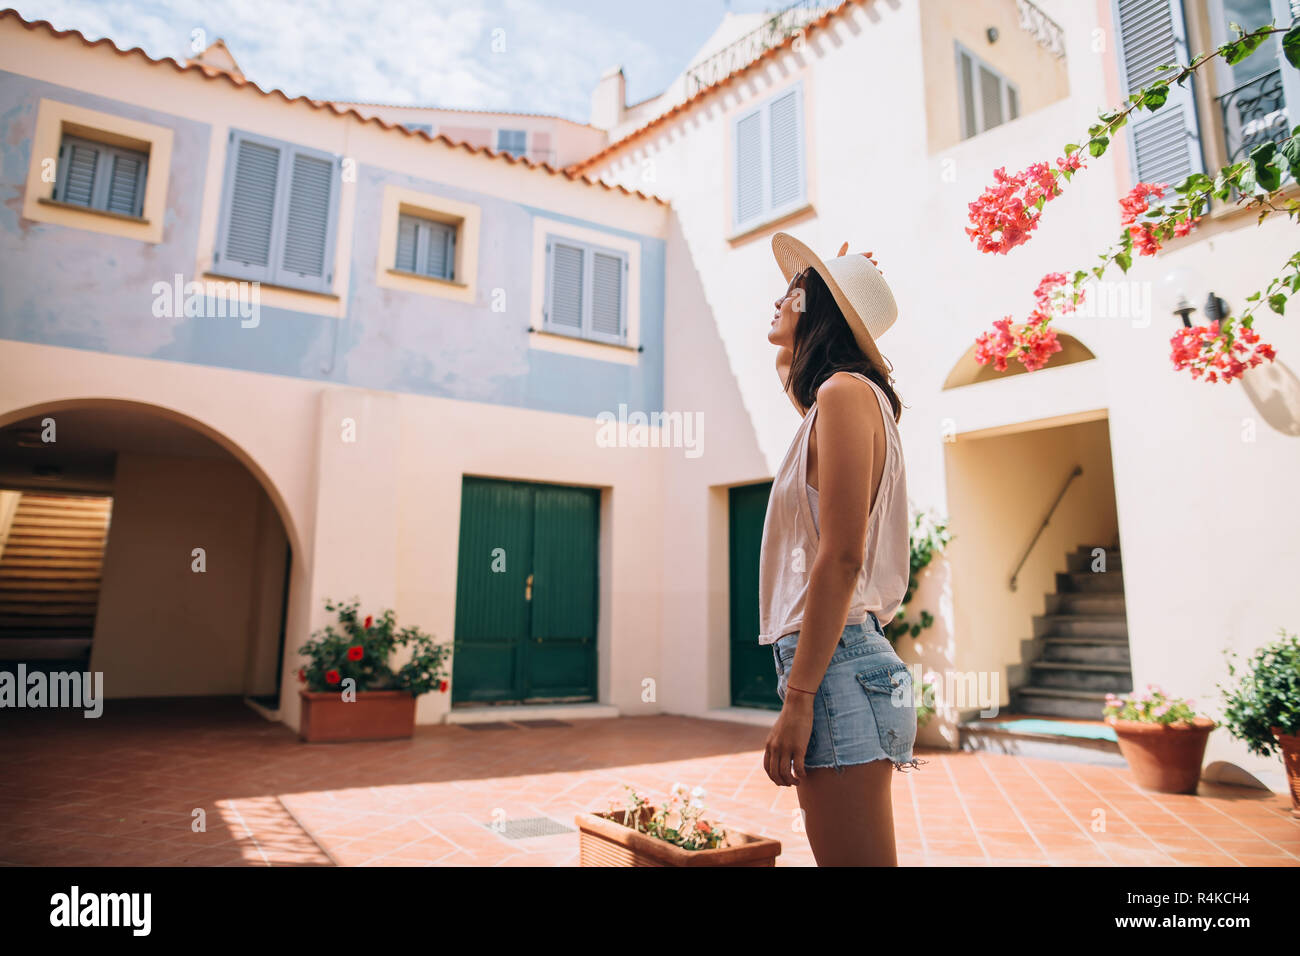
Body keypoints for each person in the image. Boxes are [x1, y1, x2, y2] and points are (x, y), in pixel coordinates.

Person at [759, 232, 922, 866]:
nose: (777, 299)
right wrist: (823, 279)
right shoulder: (836, 399)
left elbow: (843, 556)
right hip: (840, 661)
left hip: (836, 665)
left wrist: (799, 702)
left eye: (792, 292)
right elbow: (789, 377)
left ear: (822, 309)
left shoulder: (844, 395)